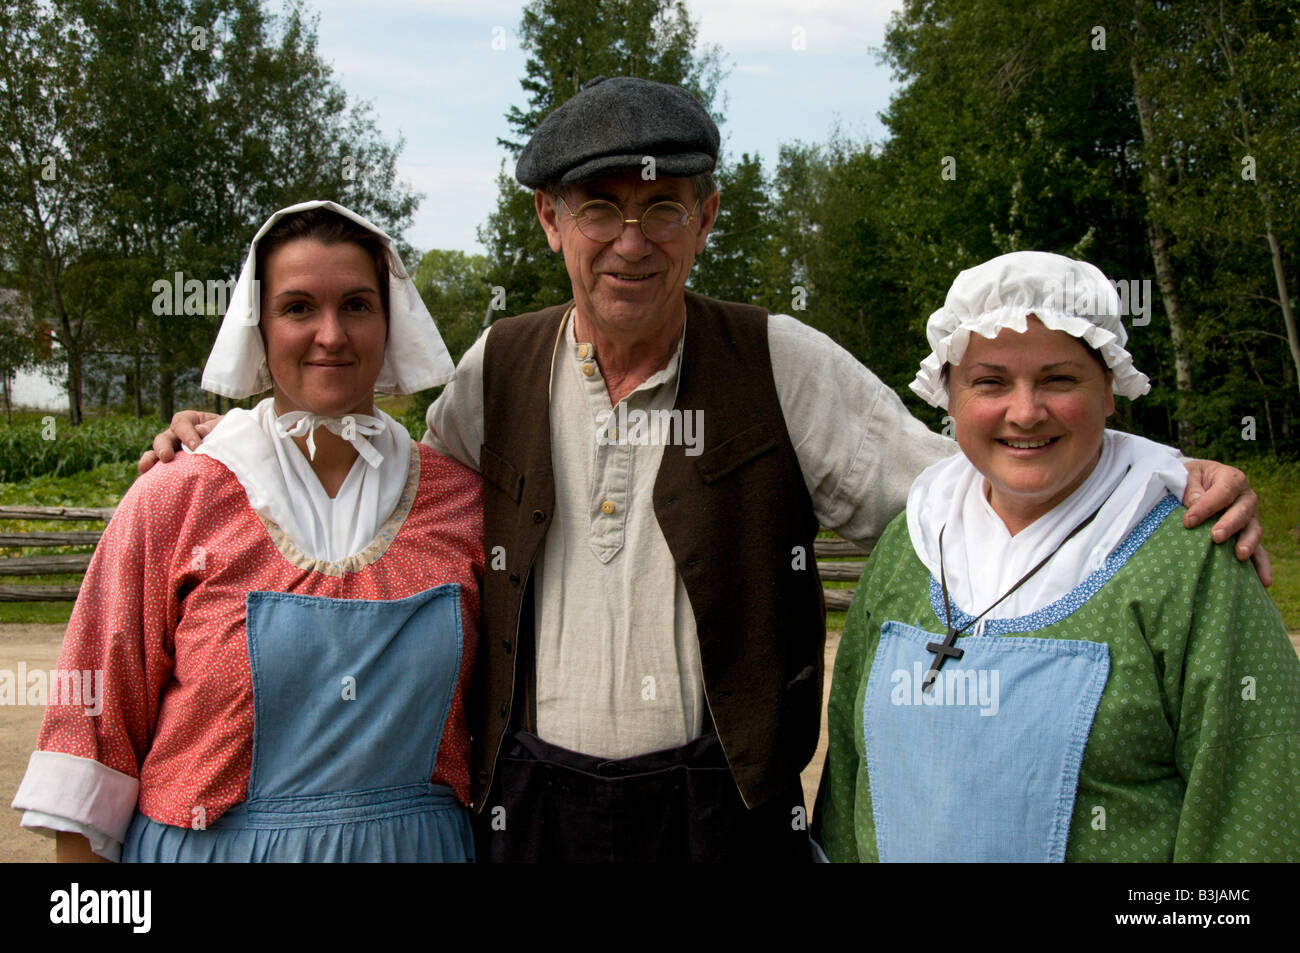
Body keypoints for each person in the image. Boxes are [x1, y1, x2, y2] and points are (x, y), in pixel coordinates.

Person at [142, 80, 1266, 862]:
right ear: (548, 220)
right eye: (599, 210)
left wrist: (1149, 468)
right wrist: (233, 435)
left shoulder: (780, 359)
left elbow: (971, 477)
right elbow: (396, 504)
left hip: (721, 812)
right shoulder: (499, 366)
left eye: (661, 209)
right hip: (528, 807)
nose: (631, 240)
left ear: (705, 217)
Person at [12, 201, 484, 862]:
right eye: (297, 308)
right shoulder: (176, 498)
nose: (331, 335)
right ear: (258, 327)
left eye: (356, 304)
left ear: (389, 320)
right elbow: (93, 740)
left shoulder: (461, 502)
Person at [813, 251, 1300, 862]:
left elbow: (1256, 803)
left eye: (1059, 379)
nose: (1024, 411)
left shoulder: (1191, 559)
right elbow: (851, 777)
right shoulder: (909, 545)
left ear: (1110, 391)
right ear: (950, 395)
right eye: (989, 381)